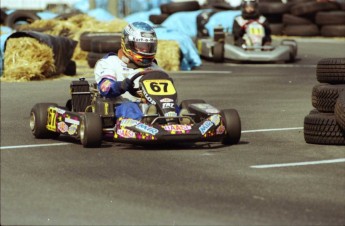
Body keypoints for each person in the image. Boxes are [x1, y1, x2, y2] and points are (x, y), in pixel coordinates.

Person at [94, 21, 161, 120]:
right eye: (141, 46)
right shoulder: (110, 63)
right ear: (127, 44)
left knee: (175, 106)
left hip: (151, 105)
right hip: (119, 106)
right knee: (129, 107)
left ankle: (178, 119)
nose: (146, 50)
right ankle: (143, 122)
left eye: (148, 46)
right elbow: (105, 88)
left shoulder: (154, 67)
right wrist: (120, 86)